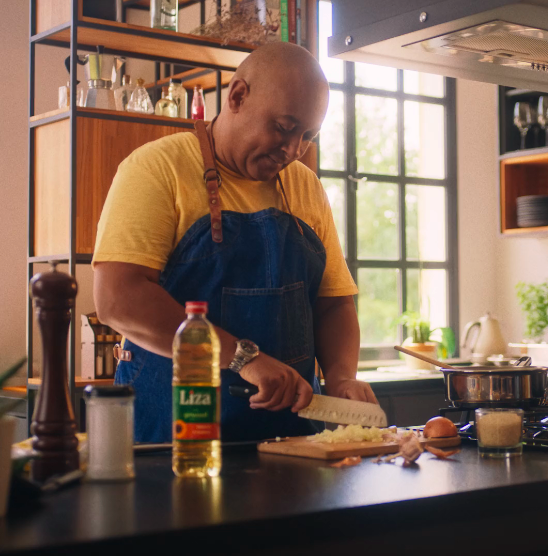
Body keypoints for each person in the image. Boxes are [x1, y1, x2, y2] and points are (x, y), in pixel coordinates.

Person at [93, 43, 377, 443]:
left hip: (292, 441)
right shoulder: (157, 168)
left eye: (308, 136)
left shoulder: (305, 186)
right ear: (238, 95)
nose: (294, 150)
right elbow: (118, 299)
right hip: (176, 441)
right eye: (283, 127)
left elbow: (333, 303)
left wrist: (343, 375)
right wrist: (245, 358)